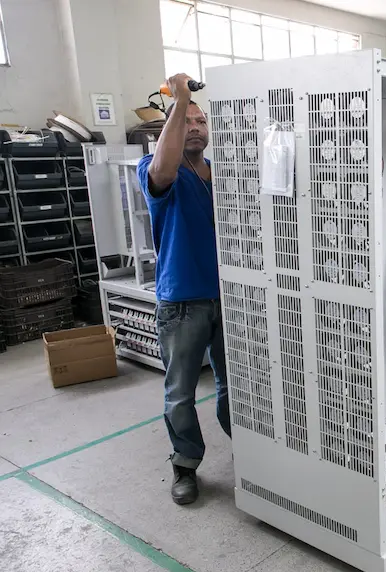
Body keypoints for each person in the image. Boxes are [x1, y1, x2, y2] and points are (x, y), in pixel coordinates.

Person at [137, 73, 230, 505]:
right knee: (180, 393)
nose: (195, 127)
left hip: (231, 298)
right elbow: (163, 169)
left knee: (236, 384)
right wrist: (179, 100)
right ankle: (186, 465)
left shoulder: (222, 173)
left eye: (200, 121)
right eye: (186, 120)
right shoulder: (155, 168)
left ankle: (251, 450)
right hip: (182, 301)